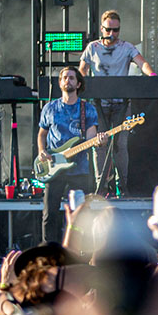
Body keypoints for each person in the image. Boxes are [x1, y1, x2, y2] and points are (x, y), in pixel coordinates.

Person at [78, 9, 158, 195]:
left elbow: (142, 62)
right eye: (108, 30)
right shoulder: (93, 47)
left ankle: (123, 186)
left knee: (121, 146)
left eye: (116, 30)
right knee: (99, 145)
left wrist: (152, 74)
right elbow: (82, 70)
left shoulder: (126, 47)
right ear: (102, 28)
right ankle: (101, 188)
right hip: (98, 104)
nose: (112, 34)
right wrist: (81, 84)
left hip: (121, 104)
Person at [37, 67, 107, 243]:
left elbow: (91, 137)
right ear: (60, 83)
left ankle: (81, 250)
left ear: (78, 83)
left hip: (79, 168)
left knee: (83, 214)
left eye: (71, 78)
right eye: (64, 78)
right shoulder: (50, 108)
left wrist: (99, 140)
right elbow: (42, 134)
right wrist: (42, 151)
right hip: (54, 167)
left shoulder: (87, 109)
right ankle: (49, 251)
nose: (67, 80)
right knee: (49, 214)